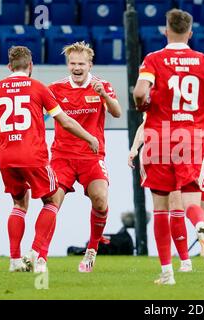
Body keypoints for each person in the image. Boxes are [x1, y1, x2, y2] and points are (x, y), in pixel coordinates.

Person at [133, 8, 204, 285]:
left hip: (160, 137)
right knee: (190, 200)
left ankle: (167, 273)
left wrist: (142, 102)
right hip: (193, 137)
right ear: (190, 32)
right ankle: (201, 228)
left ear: (166, 31)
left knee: (161, 209)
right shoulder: (202, 61)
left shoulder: (153, 59)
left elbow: (141, 91)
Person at [0, 46, 99, 273]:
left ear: (9, 66)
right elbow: (65, 121)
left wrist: (0, 152)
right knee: (51, 201)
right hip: (33, 156)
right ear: (30, 66)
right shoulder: (38, 87)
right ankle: (37, 254)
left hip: (6, 156)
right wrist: (89, 137)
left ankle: (15, 261)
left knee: (19, 204)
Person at [47, 41, 122, 273]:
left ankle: (91, 250)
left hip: (92, 156)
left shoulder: (102, 86)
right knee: (51, 202)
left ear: (90, 65)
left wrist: (105, 97)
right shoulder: (55, 89)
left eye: (81, 63)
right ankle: (39, 256)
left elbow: (117, 113)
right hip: (62, 156)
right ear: (68, 65)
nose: (76, 68)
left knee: (100, 199)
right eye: (72, 63)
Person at [128, 99, 204, 264]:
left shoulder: (203, 93)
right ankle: (185, 261)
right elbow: (145, 125)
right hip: (175, 157)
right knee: (176, 205)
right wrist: (135, 147)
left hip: (203, 157)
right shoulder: (162, 93)